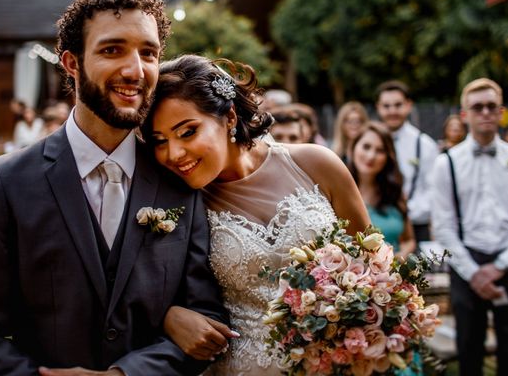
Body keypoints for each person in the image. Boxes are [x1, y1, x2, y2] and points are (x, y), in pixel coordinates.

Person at [0, 0, 228, 376]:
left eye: (148, 53)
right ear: (71, 63)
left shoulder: (178, 181)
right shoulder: (6, 183)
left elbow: (204, 314)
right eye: (112, 49)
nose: (135, 70)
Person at [143, 55, 370, 375]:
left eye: (188, 132)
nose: (174, 154)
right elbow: (141, 286)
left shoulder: (317, 164)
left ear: (230, 116)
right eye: (159, 141)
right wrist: (168, 316)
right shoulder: (172, 206)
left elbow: (375, 269)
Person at [431, 78, 508, 376]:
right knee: (469, 348)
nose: (486, 113)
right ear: (464, 114)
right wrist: (475, 273)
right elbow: (443, 226)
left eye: (492, 106)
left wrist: (502, 265)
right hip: (466, 266)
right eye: (477, 107)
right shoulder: (447, 163)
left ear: (502, 112)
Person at [375, 80, 438, 244]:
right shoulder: (371, 143)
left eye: (398, 105)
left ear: (409, 105)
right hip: (376, 226)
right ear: (378, 107)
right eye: (386, 106)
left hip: (417, 227)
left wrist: (405, 213)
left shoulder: (424, 145)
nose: (392, 111)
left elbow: (434, 192)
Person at [348, 121, 416, 260]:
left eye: (380, 150)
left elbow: (409, 240)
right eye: (366, 147)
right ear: (353, 148)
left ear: (388, 156)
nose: (371, 156)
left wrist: (397, 260)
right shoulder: (338, 191)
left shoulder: (395, 193)